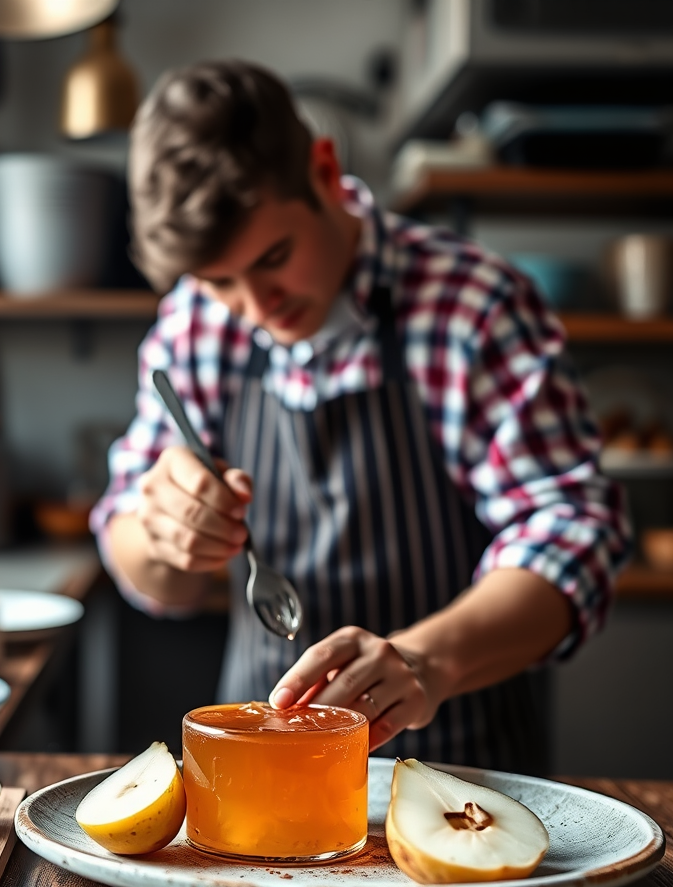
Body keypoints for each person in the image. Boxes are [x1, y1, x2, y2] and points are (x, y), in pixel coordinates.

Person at [90, 61, 631, 772]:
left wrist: (424, 660)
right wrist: (164, 537)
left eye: (274, 257)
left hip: (463, 774)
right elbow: (135, 550)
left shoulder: (472, 307)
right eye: (221, 282)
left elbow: (572, 531)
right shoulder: (194, 326)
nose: (256, 308)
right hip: (264, 773)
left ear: (323, 169)